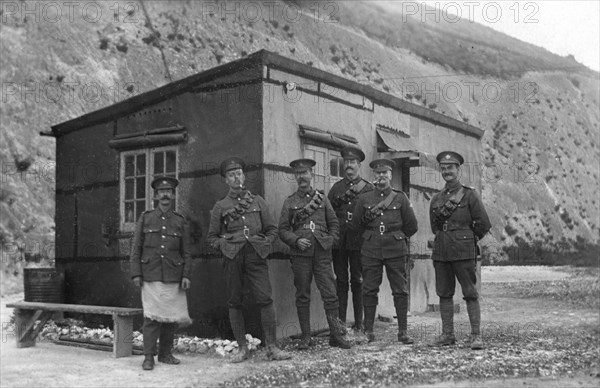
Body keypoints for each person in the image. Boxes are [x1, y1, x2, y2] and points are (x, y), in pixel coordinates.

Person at [206, 157, 291, 363]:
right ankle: (242, 349)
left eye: (239, 174)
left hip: (255, 255)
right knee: (235, 302)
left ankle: (272, 347)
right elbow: (211, 238)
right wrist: (225, 246)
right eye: (231, 175)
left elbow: (272, 229)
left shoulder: (258, 201)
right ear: (226, 180)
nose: (236, 178)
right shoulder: (220, 206)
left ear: (244, 176)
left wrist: (265, 244)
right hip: (232, 257)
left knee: (265, 299)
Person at [278, 158, 351, 350]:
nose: (302, 177)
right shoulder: (290, 202)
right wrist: (295, 240)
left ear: (311, 175)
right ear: (295, 177)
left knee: (331, 294)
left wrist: (330, 241)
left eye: (305, 173)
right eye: (298, 173)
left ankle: (336, 335)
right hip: (300, 255)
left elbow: (334, 223)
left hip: (322, 254)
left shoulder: (322, 198)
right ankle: (306, 337)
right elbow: (282, 229)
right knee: (303, 295)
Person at [350, 159, 418, 343]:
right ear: (374, 176)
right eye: (378, 173)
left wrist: (396, 236)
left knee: (400, 290)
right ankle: (369, 331)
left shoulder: (400, 198)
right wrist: (370, 237)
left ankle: (403, 331)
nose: (381, 176)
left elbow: (412, 226)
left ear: (390, 175)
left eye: (384, 173)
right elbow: (356, 225)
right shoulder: (364, 199)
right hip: (371, 248)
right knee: (369, 289)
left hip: (395, 248)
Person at [429, 151, 491, 350]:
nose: (447, 171)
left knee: (470, 293)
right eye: (444, 168)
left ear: (458, 170)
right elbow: (435, 227)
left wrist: (466, 238)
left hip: (464, 251)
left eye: (451, 168)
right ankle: (448, 335)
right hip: (442, 251)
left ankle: (475, 336)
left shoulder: (470, 194)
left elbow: (483, 223)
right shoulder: (437, 198)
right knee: (444, 293)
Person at [130, 176, 193, 371]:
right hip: (151, 273)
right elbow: (136, 248)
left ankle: (165, 353)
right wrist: (136, 274)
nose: (165, 195)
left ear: (173, 195)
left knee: (171, 317)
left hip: (174, 275)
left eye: (169, 192)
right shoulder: (146, 218)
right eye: (161, 192)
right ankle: (149, 356)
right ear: (156, 196)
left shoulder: (180, 221)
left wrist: (186, 275)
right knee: (151, 318)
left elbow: (187, 252)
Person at [327, 146, 373, 331]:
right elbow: (328, 214)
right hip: (339, 242)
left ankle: (360, 324)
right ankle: (341, 324)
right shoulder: (336, 188)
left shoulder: (368, 188)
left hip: (358, 241)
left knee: (358, 280)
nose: (349, 166)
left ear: (359, 165)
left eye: (352, 162)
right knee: (341, 281)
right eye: (346, 162)